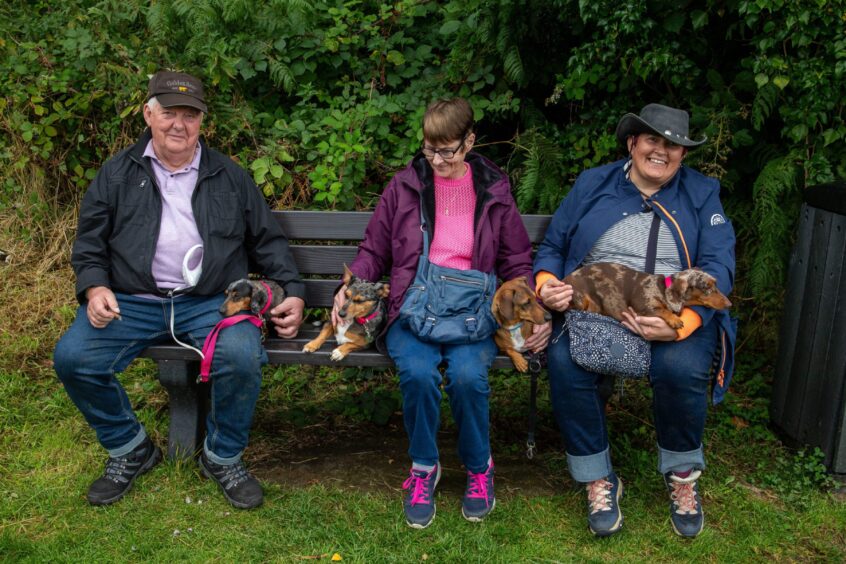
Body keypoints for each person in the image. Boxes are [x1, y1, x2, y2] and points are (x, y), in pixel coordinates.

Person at [53, 71, 306, 509]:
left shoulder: (229, 175)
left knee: (242, 356)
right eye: (169, 113)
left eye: (189, 115)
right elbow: (89, 245)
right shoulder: (115, 174)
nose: (178, 125)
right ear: (149, 114)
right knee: (74, 358)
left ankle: (222, 456)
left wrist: (295, 292)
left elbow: (267, 241)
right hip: (132, 302)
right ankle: (129, 448)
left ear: (202, 122)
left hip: (211, 302)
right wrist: (94, 289)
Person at [336, 98, 551, 528]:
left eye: (447, 150)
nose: (436, 160)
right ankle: (423, 468)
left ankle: (478, 468)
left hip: (472, 310)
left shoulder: (493, 187)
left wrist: (529, 310)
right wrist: (350, 285)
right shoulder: (405, 185)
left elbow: (515, 258)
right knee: (417, 373)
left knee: (468, 376)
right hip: (412, 306)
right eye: (429, 149)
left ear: (469, 141)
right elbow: (374, 249)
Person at [534, 103, 736, 538]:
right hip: (596, 309)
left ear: (683, 155)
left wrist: (682, 325)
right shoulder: (594, 183)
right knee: (567, 362)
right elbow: (553, 244)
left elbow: (720, 262)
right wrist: (548, 283)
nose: (661, 152)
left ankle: (682, 478)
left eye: (673, 146)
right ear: (633, 143)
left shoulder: (701, 194)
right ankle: (598, 478)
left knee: (679, 367)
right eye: (652, 141)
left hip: (676, 313)